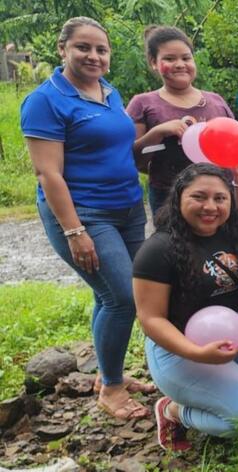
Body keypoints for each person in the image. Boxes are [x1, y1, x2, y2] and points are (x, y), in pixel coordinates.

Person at [21, 17, 152, 420]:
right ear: (63, 49)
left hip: (129, 209)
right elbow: (49, 173)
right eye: (83, 47)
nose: (94, 56)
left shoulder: (109, 92)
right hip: (85, 214)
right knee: (123, 298)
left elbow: (121, 147)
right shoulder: (45, 100)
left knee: (113, 294)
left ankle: (107, 373)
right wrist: (74, 231)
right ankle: (111, 389)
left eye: (101, 49)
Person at [133, 163, 238, 450]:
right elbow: (150, 319)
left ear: (230, 202)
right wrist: (196, 353)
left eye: (220, 198)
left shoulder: (234, 233)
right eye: (199, 197)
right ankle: (174, 412)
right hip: (177, 351)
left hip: (232, 330)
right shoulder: (157, 250)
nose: (210, 206)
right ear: (179, 198)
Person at [126, 25, 234, 216]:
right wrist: (158, 132)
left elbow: (234, 152)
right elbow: (131, 159)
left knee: (222, 246)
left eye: (186, 58)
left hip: (219, 196)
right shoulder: (142, 104)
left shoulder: (216, 100)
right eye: (169, 58)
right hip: (168, 196)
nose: (180, 64)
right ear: (153, 62)